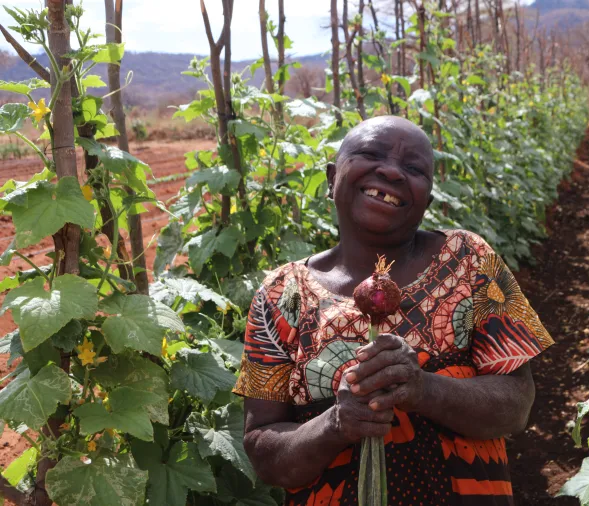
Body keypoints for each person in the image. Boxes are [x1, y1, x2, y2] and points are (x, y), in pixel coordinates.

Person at [233, 115, 554, 506]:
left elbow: (517, 404)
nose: (391, 171)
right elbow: (263, 452)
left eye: (413, 168)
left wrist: (422, 388)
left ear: (427, 200)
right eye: (370, 154)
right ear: (332, 178)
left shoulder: (471, 261)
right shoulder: (280, 294)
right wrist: (336, 423)